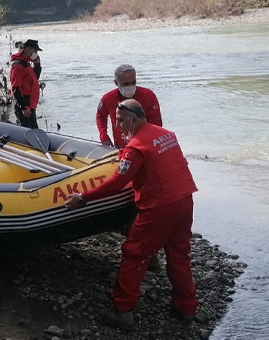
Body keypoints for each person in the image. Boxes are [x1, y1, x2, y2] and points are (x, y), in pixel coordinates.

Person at [65, 99, 198, 330]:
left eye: (119, 121)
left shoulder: (136, 147)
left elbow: (118, 181)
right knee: (179, 256)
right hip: (184, 200)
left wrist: (84, 198)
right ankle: (186, 308)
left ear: (133, 119)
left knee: (134, 254)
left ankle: (123, 310)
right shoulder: (166, 134)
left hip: (159, 208)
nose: (117, 126)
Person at [96, 64, 162, 147]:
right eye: (126, 84)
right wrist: (104, 136)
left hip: (145, 145)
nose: (130, 86)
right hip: (120, 146)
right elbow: (100, 115)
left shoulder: (148, 96)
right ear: (116, 83)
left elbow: (156, 124)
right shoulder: (108, 98)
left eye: (133, 82)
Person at [9, 39, 42, 128]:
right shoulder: (18, 65)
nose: (36, 53)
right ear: (27, 49)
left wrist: (37, 65)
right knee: (26, 130)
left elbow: (35, 79)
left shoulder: (26, 64)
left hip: (30, 103)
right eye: (34, 51)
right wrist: (24, 107)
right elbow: (15, 87)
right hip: (24, 102)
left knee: (33, 129)